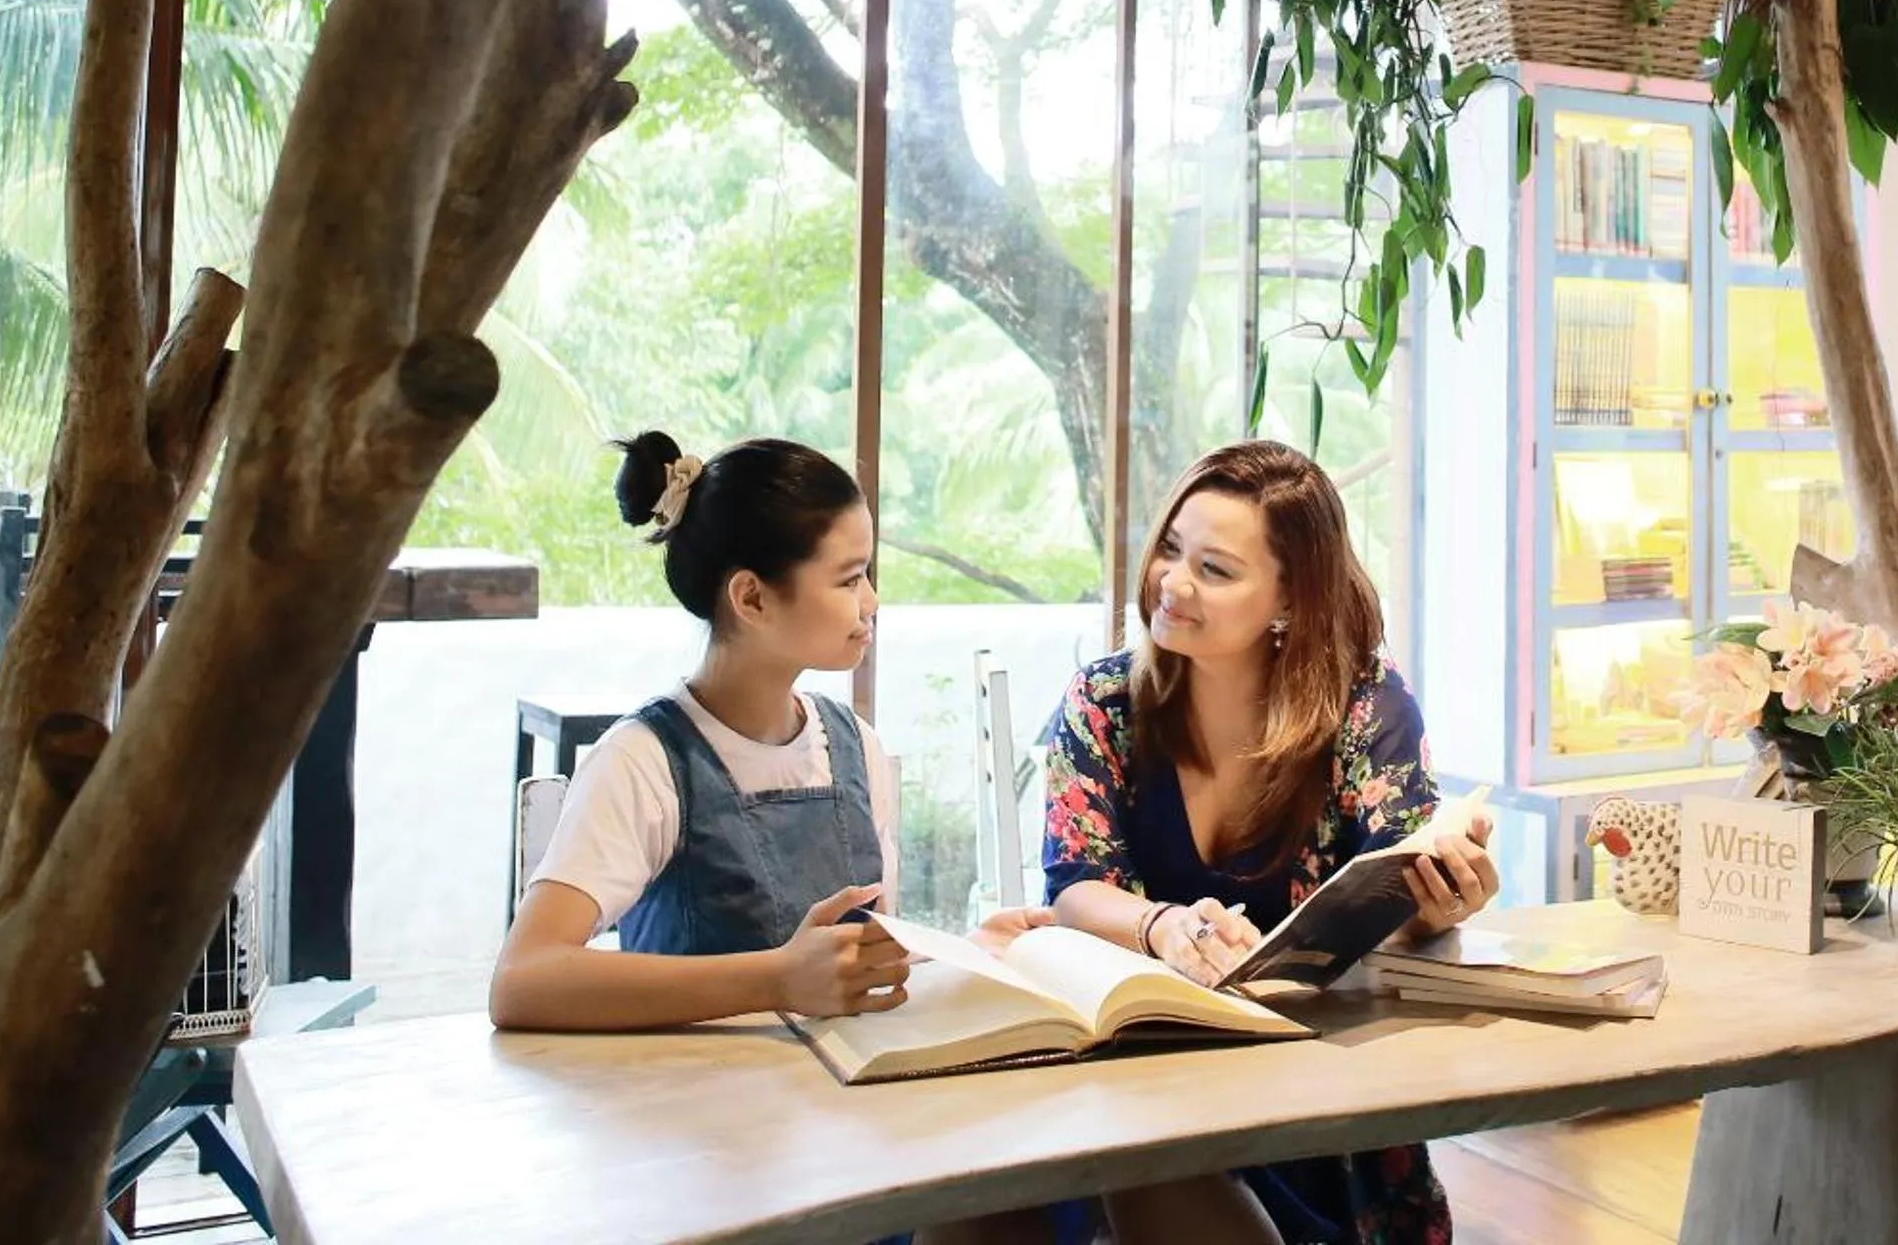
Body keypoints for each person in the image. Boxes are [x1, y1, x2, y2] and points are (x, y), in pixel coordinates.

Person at [945, 440, 1497, 1245]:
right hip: (1135, 1070)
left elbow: (1398, 879)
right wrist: (1162, 925)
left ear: (1290, 600)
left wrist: (1445, 902)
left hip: (1309, 1095)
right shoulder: (1104, 699)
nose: (1172, 582)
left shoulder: (1364, 707)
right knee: (987, 1191)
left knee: (1152, 1175)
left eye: (1215, 569)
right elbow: (1074, 880)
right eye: (1171, 548)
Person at [490, 431, 1046, 1033]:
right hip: (691, 1113)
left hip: (841, 1111)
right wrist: (776, 979)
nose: (872, 602)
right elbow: (524, 981)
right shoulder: (643, 762)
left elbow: (848, 970)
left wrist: (972, 951)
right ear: (751, 598)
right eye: (848, 579)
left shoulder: (855, 747)